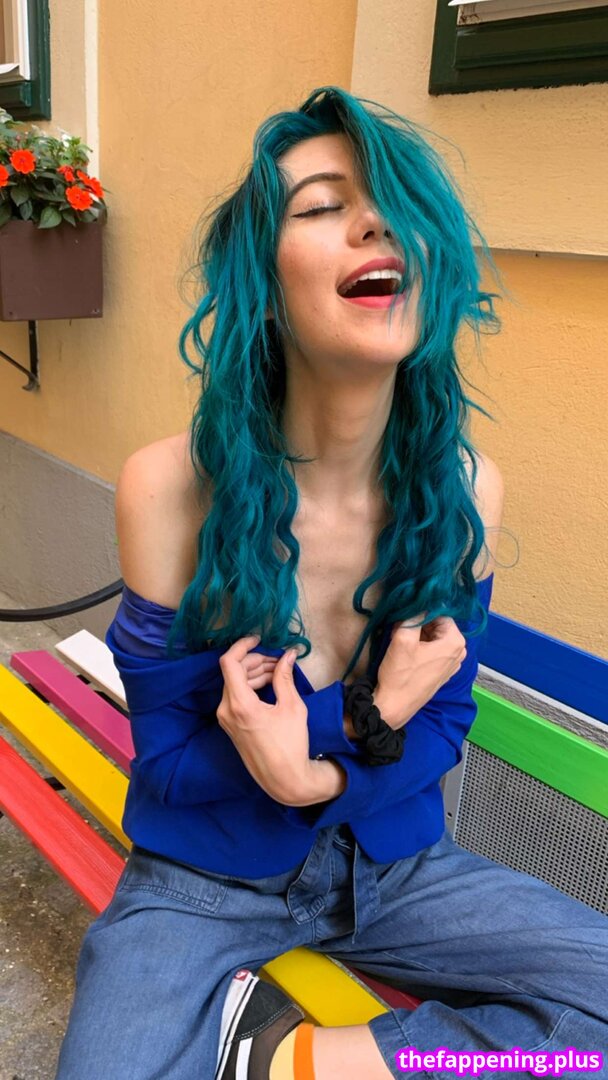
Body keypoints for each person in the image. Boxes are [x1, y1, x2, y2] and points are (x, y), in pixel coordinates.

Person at [55, 86, 607, 1080]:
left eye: (395, 205)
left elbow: (443, 721)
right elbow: (170, 764)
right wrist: (360, 719)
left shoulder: (463, 491)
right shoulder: (169, 487)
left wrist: (317, 772)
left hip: (394, 867)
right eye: (319, 205)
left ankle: (285, 1058)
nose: (373, 223)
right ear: (263, 287)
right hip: (202, 879)